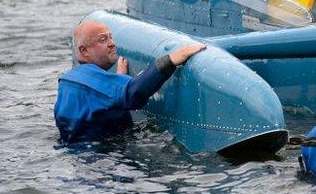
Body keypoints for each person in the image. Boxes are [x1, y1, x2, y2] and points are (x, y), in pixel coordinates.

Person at [54, 20, 206, 143]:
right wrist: (171, 60)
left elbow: (98, 102)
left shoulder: (68, 80)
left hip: (78, 157)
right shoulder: (93, 84)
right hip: (104, 163)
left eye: (110, 37)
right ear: (84, 51)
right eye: (103, 39)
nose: (112, 43)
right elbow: (134, 94)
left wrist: (119, 80)